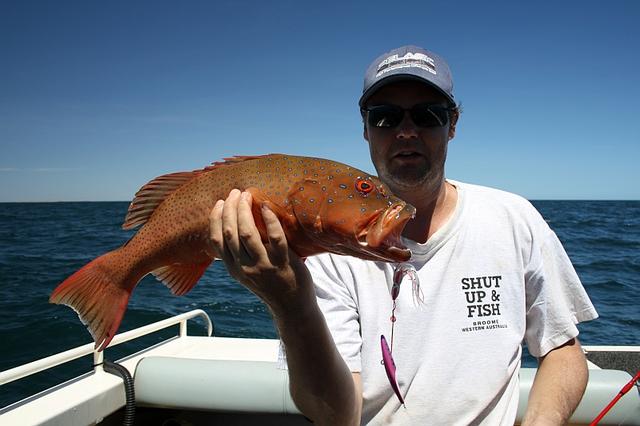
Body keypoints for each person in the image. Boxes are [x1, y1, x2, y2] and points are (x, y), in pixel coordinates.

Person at [208, 45, 598, 425]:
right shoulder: (323, 249)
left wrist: (543, 420)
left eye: (428, 115)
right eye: (385, 117)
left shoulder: (515, 219)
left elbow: (563, 349)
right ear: (365, 130)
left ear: (453, 126)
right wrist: (290, 301)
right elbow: (335, 416)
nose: (406, 131)